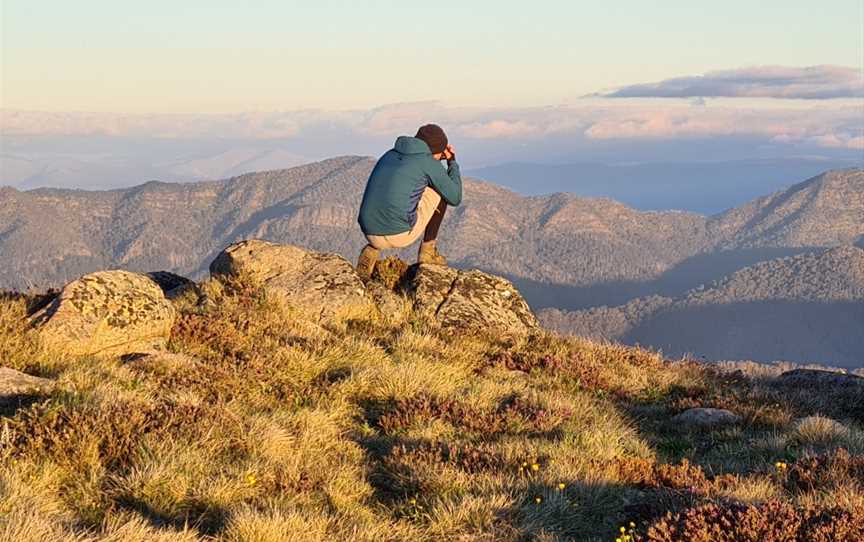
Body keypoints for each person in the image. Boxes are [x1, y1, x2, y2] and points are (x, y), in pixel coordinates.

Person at [356, 124, 462, 279]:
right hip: (399, 234)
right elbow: (455, 197)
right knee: (441, 192)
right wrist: (452, 162)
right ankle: (428, 253)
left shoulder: (389, 154)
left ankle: (372, 250)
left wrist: (435, 159)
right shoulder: (428, 163)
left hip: (368, 231)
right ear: (435, 151)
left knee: (398, 193)